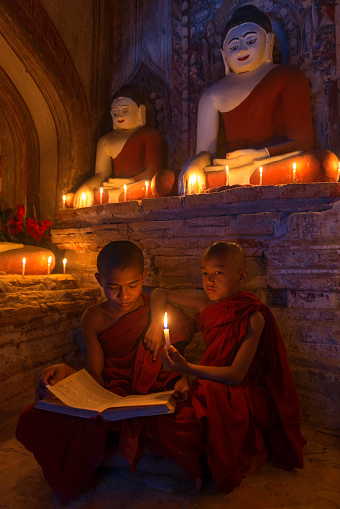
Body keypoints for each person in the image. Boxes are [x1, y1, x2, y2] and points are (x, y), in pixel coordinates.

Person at [16, 241, 196, 504]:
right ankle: (136, 460)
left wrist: (183, 377)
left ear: (143, 277)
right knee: (31, 418)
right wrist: (67, 372)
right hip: (112, 395)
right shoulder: (94, 317)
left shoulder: (156, 310)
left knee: (199, 420)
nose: (124, 296)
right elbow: (95, 374)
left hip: (153, 396)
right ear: (99, 279)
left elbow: (175, 359)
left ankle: (100, 457)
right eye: (113, 287)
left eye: (132, 286)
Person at [144, 241, 306, 494]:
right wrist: (155, 324)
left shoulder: (254, 316)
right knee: (174, 417)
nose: (209, 281)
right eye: (204, 272)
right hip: (212, 384)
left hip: (249, 393)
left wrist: (188, 368)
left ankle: (250, 448)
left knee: (197, 419)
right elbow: (158, 293)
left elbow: (236, 375)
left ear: (241, 276)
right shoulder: (206, 306)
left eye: (218, 273)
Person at [178, 5, 324, 193]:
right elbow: (205, 152)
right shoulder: (212, 94)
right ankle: (243, 176)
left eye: (251, 40)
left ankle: (241, 177)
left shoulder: (288, 77)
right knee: (190, 178)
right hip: (230, 167)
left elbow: (303, 142)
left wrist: (259, 155)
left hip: (274, 162)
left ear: (269, 43)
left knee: (322, 163)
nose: (241, 50)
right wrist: (194, 165)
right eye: (233, 46)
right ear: (223, 55)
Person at [72, 87, 164, 208]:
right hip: (114, 187)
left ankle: (117, 197)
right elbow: (101, 174)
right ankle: (116, 197)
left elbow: (154, 170)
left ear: (141, 111)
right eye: (115, 112)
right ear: (111, 115)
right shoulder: (105, 140)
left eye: (125, 111)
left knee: (149, 188)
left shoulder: (149, 134)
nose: (119, 115)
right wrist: (86, 187)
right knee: (79, 197)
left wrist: (130, 181)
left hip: (137, 184)